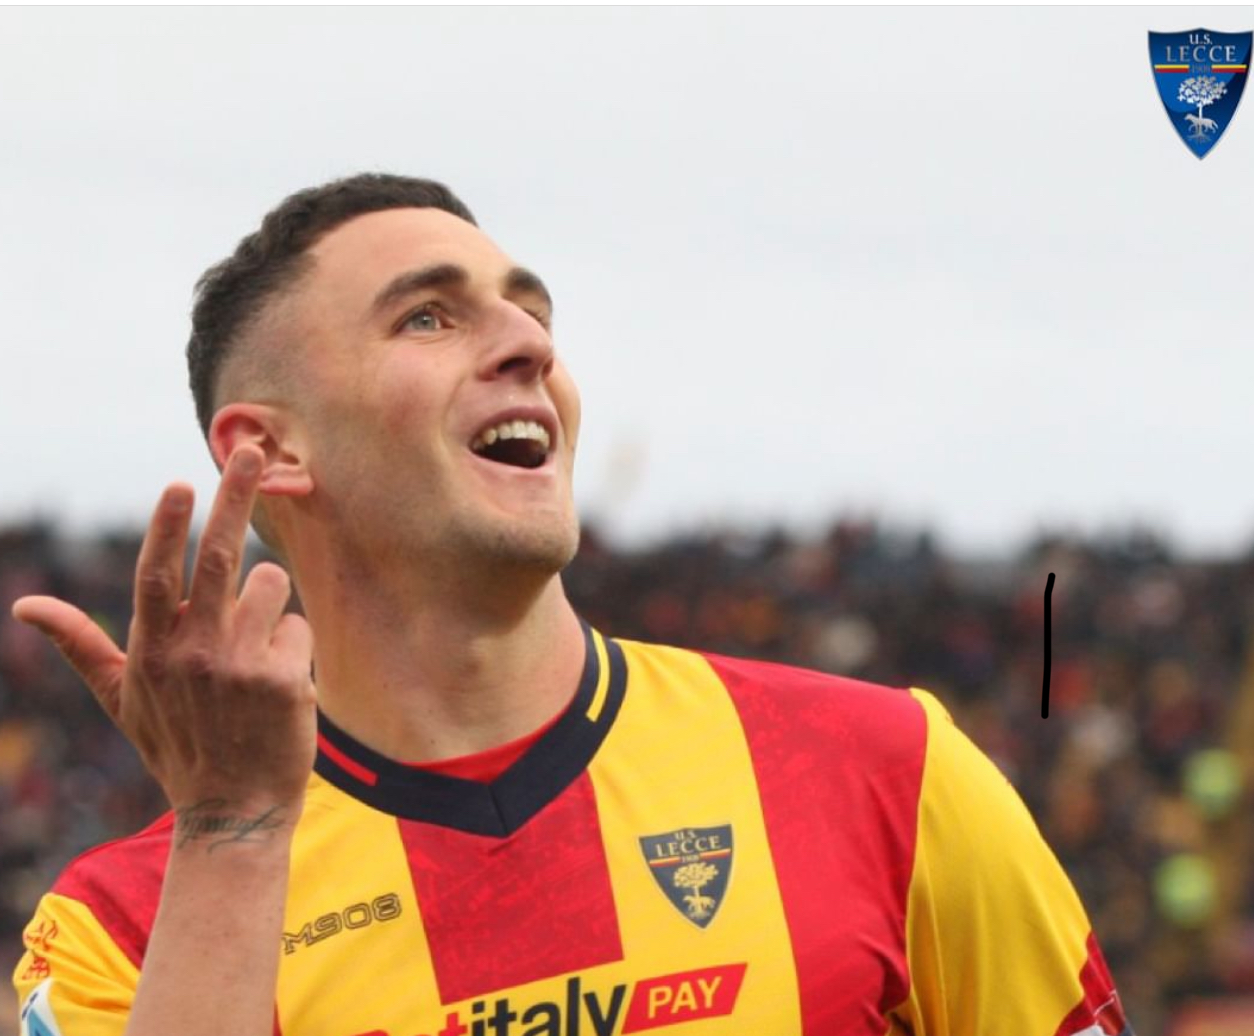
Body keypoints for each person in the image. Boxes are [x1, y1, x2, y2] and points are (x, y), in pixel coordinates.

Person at [11, 174, 1132, 1036]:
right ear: (271, 448)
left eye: (531, 311)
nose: (530, 345)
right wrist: (234, 835)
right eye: (428, 319)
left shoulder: (889, 773)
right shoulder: (122, 933)